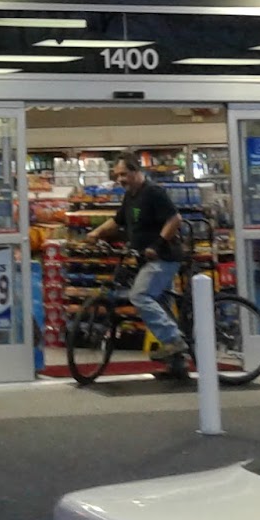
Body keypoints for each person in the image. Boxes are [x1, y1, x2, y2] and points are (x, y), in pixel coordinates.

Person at [87, 152, 187, 375]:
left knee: (140, 295)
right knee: (161, 306)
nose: (120, 179)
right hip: (145, 258)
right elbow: (117, 221)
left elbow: (175, 219)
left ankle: (174, 340)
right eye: (117, 175)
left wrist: (157, 245)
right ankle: (177, 365)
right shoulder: (130, 196)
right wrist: (96, 233)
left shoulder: (153, 192)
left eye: (124, 174)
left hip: (163, 257)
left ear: (136, 171)